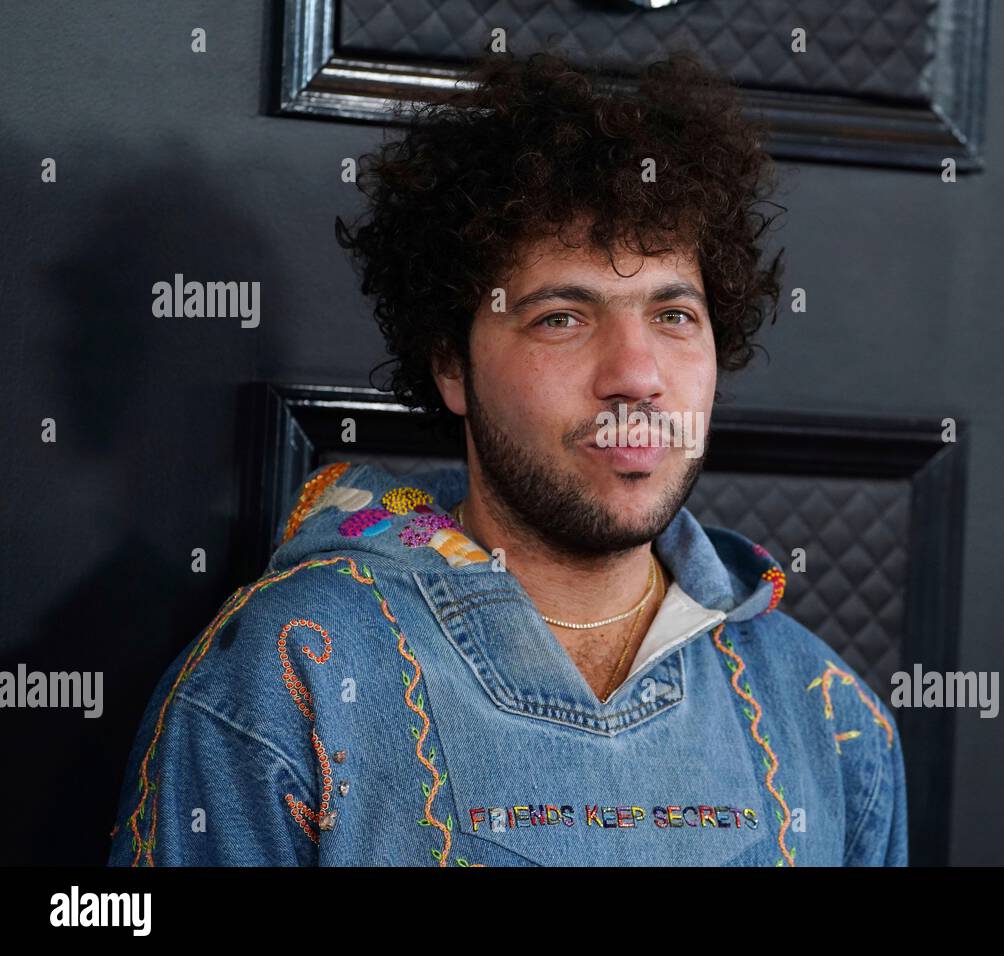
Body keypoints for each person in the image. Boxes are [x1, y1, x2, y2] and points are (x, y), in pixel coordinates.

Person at [107, 48, 907, 867]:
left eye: (673, 315)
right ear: (453, 365)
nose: (636, 375)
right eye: (561, 317)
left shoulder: (828, 712)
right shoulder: (289, 677)